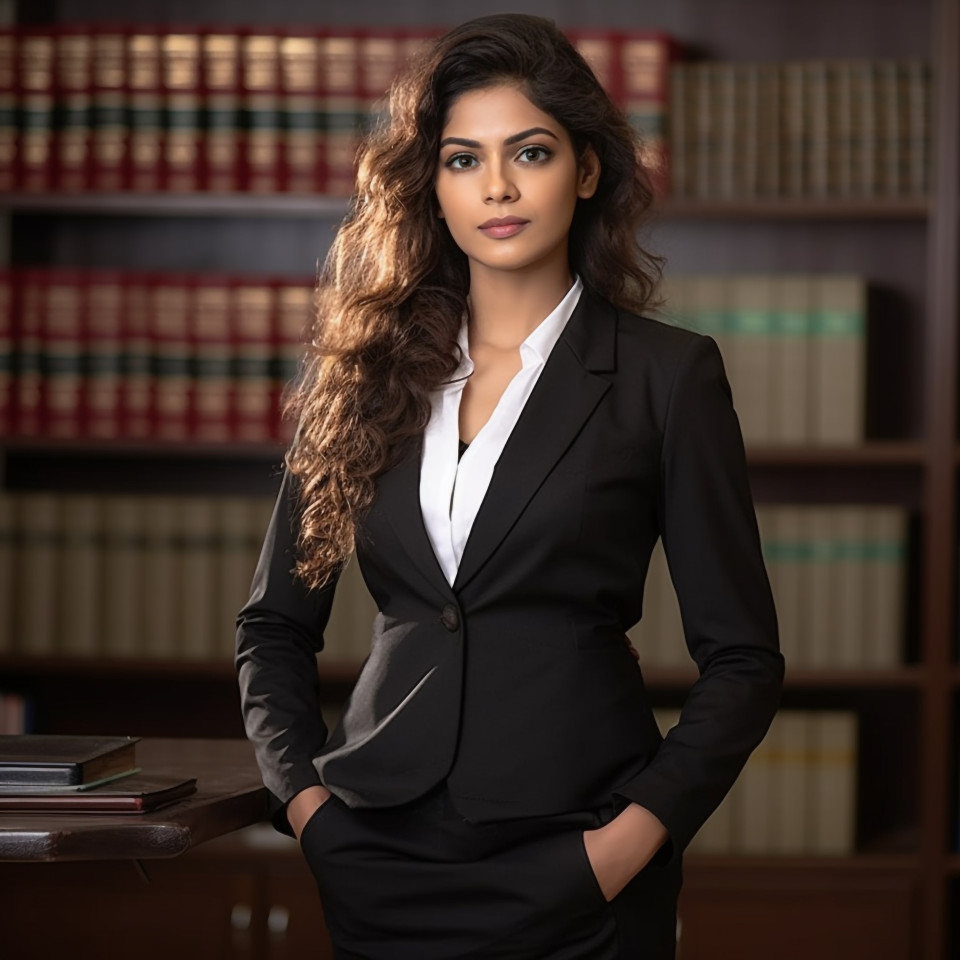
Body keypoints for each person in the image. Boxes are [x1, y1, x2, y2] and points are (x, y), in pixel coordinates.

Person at [235, 13, 784, 960]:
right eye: (462, 159)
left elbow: (743, 661)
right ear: (430, 186)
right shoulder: (361, 376)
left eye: (529, 151)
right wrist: (309, 808)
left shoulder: (667, 377)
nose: (495, 186)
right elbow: (274, 628)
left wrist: (629, 841)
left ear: (586, 168)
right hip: (379, 855)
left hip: (578, 855)